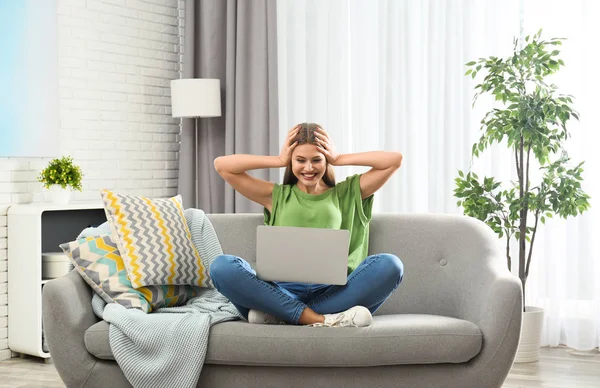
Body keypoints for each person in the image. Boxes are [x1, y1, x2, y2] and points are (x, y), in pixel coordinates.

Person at [210, 123, 404, 327]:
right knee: (222, 267)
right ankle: (320, 319)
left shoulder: (347, 193)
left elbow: (393, 160)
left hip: (335, 292)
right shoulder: (276, 196)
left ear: (326, 160)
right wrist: (278, 160)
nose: (308, 168)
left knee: (391, 265)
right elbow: (222, 165)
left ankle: (283, 314)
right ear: (291, 162)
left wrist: (339, 159)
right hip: (280, 291)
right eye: (300, 160)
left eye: (317, 160)